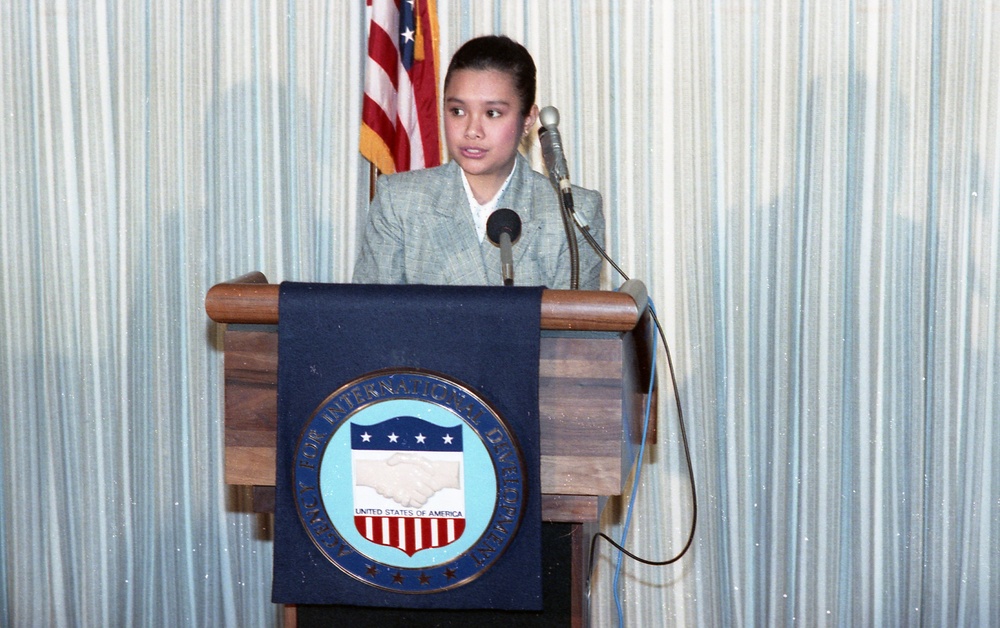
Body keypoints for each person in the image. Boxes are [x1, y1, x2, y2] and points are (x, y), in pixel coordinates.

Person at [352, 34, 605, 289]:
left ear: (528, 119)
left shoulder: (573, 214)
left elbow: (571, 328)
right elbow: (371, 319)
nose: (472, 130)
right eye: (457, 111)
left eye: (492, 113)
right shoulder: (399, 202)